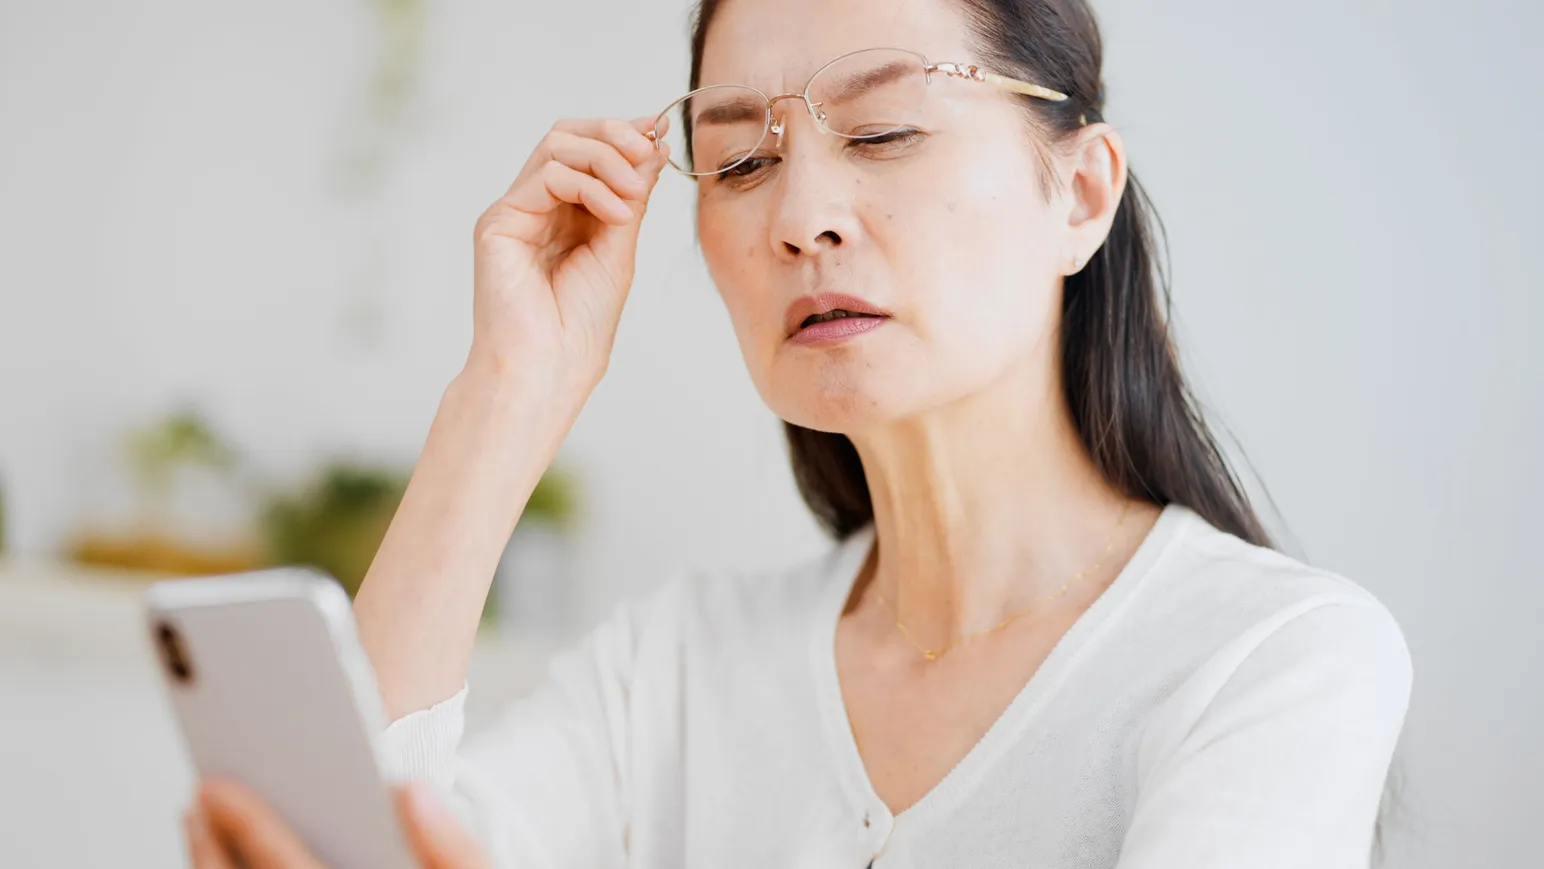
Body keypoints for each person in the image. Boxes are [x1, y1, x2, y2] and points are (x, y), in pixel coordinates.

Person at [187, 0, 1413, 866]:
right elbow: (342, 832)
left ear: (1078, 191)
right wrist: (512, 385)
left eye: (882, 131)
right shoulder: (671, 673)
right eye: (735, 161)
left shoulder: (1271, 660)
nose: (801, 215)